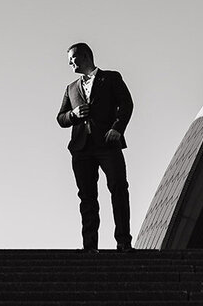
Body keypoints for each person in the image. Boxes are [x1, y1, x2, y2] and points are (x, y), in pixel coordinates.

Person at [56, 42, 135, 251]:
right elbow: (60, 118)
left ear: (84, 56)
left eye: (72, 58)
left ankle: (123, 243)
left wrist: (118, 128)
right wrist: (73, 115)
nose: (70, 63)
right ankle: (89, 247)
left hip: (108, 144)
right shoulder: (70, 88)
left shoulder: (111, 78)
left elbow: (126, 104)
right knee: (87, 197)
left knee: (119, 190)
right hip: (81, 149)